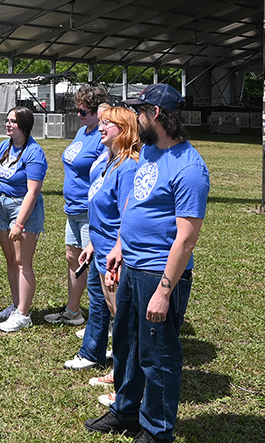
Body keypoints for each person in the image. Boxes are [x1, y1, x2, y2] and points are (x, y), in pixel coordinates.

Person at [85, 84, 209, 443]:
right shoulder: (151, 153)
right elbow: (135, 206)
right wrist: (120, 246)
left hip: (159, 272)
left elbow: (186, 238)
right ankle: (125, 411)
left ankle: (156, 430)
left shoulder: (189, 167)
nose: (135, 119)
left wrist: (165, 291)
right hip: (131, 265)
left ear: (155, 114)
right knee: (125, 343)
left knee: (157, 355)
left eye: (140, 112)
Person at [67, 105, 141, 396]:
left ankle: (125, 380)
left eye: (108, 124)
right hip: (102, 246)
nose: (101, 127)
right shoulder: (110, 160)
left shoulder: (128, 166)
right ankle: (118, 371)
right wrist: (91, 244)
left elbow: (127, 215)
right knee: (115, 313)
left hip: (116, 252)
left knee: (124, 318)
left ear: (123, 130)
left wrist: (117, 251)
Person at [47, 85, 108, 326]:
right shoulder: (83, 131)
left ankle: (103, 319)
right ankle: (73, 312)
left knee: (93, 267)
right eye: (78, 110)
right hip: (72, 209)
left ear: (99, 111)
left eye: (84, 111)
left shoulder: (103, 136)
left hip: (89, 211)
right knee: (73, 259)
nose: (80, 115)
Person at [0, 106, 48, 333]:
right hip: (2, 207)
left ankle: (23, 314)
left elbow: (32, 191)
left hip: (23, 210)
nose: (7, 124)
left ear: (24, 125)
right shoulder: (4, 146)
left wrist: (19, 224)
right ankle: (16, 305)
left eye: (12, 121)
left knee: (23, 263)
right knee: (11, 261)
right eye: (7, 120)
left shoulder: (34, 152)